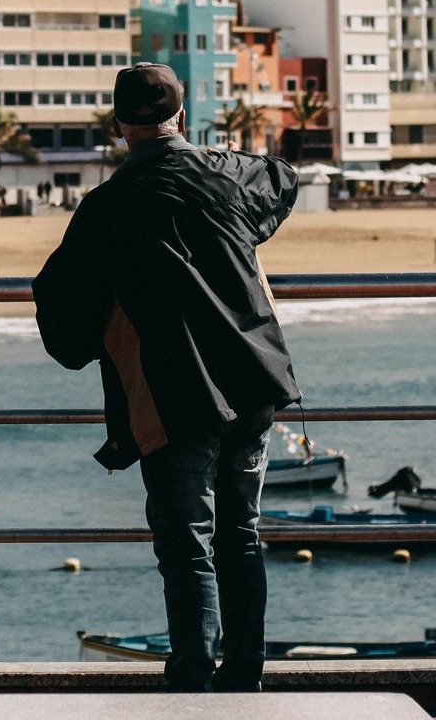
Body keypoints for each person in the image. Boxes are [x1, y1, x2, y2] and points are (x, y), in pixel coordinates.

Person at [33, 63, 301, 694]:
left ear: (120, 125)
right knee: (241, 536)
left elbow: (60, 302)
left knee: (188, 546)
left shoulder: (105, 208)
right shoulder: (228, 173)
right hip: (254, 376)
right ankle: (245, 679)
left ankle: (192, 682)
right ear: (182, 115)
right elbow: (283, 180)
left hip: (174, 391)